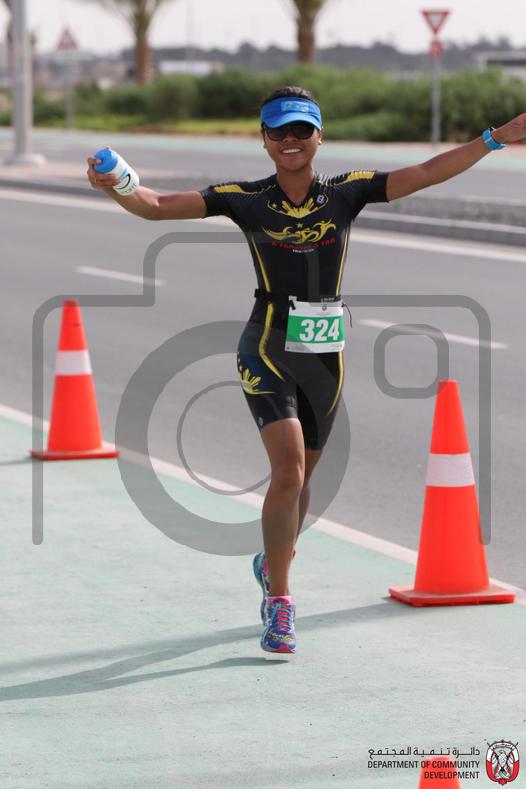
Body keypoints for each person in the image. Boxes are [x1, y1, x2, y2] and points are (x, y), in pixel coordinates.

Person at [87, 86, 526, 655]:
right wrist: (117, 184)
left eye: (301, 130)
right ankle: (280, 602)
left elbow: (424, 172)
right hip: (265, 346)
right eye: (278, 131)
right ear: (264, 139)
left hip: (324, 356)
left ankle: (272, 561)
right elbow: (155, 204)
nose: (290, 140)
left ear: (320, 135)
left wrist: (493, 139)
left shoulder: (347, 192)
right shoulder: (245, 198)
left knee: (303, 481)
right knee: (289, 470)